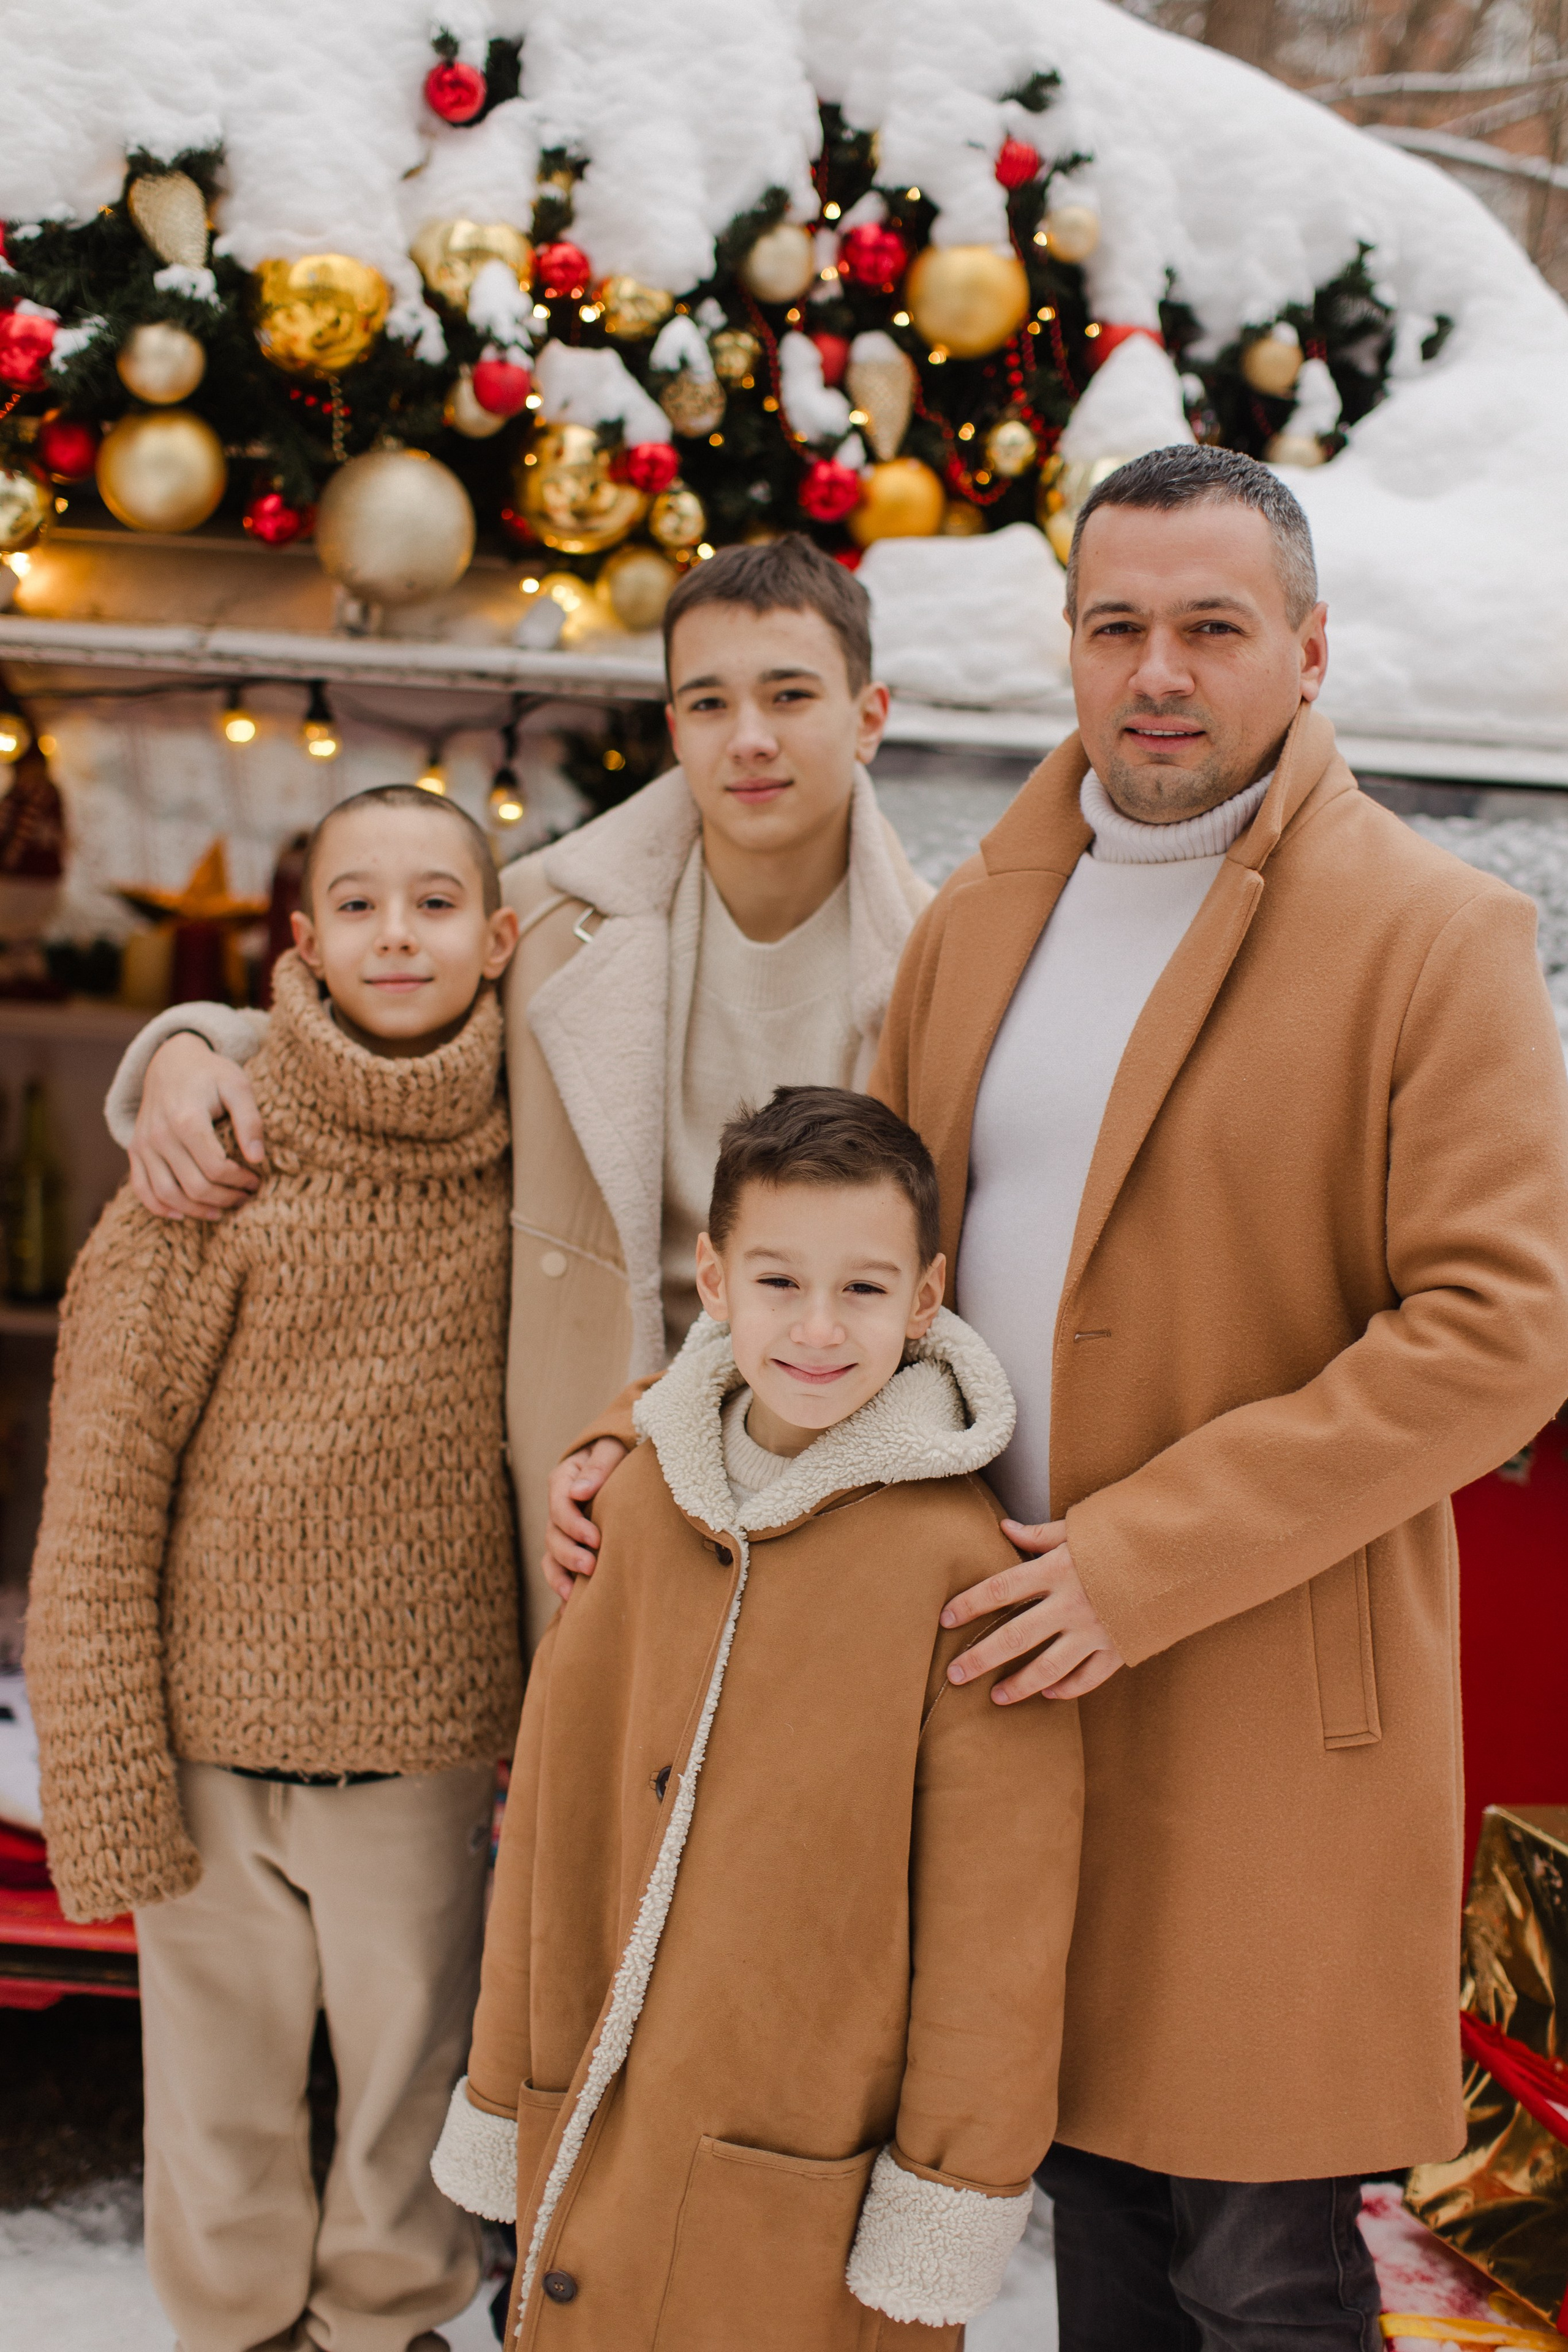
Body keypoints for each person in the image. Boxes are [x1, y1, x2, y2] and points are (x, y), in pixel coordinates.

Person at [549, 447, 1568, 2350]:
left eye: (1212, 627)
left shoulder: (1435, 936)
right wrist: (644, 1436)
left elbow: (1501, 1330)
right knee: (1092, 2218)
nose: (1157, 672)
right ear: (1072, 650)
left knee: (1257, 2264)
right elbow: (842, 1250)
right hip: (998, 1682)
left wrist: (1140, 1559)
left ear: (1311, 652)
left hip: (1259, 1695)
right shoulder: (980, 920)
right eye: (1117, 627)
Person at [105, 537, 930, 1649]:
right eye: (708, 702)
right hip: (588, 1458)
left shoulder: (944, 954)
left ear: (868, 716)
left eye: (790, 695)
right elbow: (373, 1028)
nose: (749, 738)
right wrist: (194, 1044)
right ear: (672, 725)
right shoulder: (542, 916)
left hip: (832, 1451)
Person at [429, 1087, 1083, 2351]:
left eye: (863, 1289)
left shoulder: (961, 1569)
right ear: (716, 1281)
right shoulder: (633, 1507)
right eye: (780, 1282)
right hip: (596, 2148)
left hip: (810, 2192)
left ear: (926, 1298)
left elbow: (998, 1926)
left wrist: (949, 2185)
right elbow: (547, 1828)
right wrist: (506, 2078)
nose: (819, 1328)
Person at [28, 785, 524, 2352]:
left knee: (410, 2088)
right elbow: (103, 1488)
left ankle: (386, 2325)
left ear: (499, 938)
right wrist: (102, 1759)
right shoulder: (211, 1162)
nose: (397, 935)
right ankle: (234, 2328)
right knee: (217, 2094)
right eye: (358, 904)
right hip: (208, 1745)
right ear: (300, 943)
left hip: (423, 1742)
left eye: (436, 902)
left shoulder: (539, 1167)